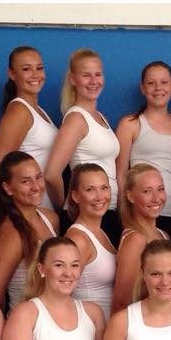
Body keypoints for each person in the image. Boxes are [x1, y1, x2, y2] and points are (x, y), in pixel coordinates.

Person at [44, 48, 121, 244]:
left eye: (98, 74)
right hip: (87, 212)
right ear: (73, 79)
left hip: (107, 210)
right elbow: (51, 174)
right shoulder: (76, 119)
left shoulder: (101, 117)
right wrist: (68, 207)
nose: (94, 81)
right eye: (86, 75)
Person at [115, 60, 171, 251]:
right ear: (142, 88)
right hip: (140, 209)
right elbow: (120, 174)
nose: (158, 88)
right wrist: (125, 215)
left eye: (164, 82)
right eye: (151, 83)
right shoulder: (130, 124)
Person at [0, 151, 58, 311]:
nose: (36, 187)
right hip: (25, 320)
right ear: (8, 188)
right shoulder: (13, 232)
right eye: (25, 181)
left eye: (38, 177)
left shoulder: (50, 218)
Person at [0, 46, 57, 214]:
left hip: (43, 208)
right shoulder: (19, 111)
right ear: (12, 74)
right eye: (26, 69)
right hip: (26, 211)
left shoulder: (39, 111)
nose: (35, 75)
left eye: (39, 68)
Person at [111, 164, 169, 313]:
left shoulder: (163, 235)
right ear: (130, 196)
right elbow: (120, 303)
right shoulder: (135, 240)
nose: (156, 198)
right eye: (147, 191)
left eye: (160, 189)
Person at [65, 164, 117, 320]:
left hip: (105, 325)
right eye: (90, 190)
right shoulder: (78, 239)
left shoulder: (101, 233)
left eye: (104, 188)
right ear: (75, 196)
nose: (100, 196)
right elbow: (59, 291)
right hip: (89, 326)